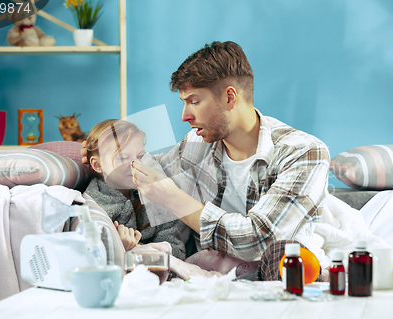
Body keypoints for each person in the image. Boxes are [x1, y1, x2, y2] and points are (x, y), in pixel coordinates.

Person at [128, 41, 330, 264]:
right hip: (210, 277)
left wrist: (173, 199)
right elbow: (141, 170)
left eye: (194, 101)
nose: (184, 116)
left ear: (229, 97)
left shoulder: (303, 151)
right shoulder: (195, 144)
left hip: (283, 275)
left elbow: (260, 241)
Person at [84, 119, 186, 260]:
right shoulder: (92, 206)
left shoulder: (156, 194)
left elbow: (177, 249)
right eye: (123, 157)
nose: (135, 164)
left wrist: (140, 251)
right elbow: (89, 257)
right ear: (97, 165)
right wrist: (119, 249)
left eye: (140, 156)